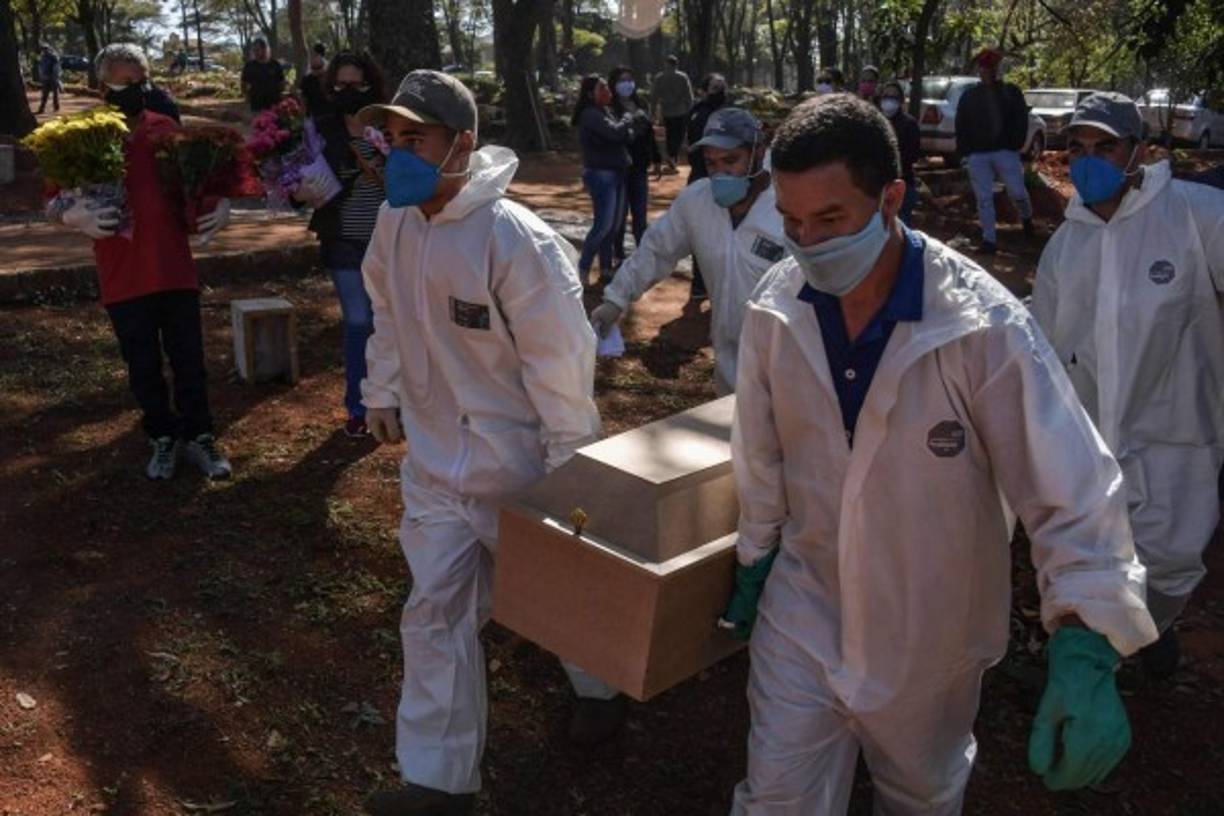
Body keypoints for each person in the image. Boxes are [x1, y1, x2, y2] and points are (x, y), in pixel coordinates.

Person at [723, 94, 1157, 814]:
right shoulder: (778, 303)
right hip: (804, 609)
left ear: (892, 198)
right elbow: (761, 451)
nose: (809, 243)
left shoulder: (981, 327)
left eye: (830, 219)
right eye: (792, 221)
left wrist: (1087, 640)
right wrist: (755, 554)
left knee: (920, 796)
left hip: (931, 633)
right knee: (775, 798)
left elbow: (1069, 487)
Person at [355, 70, 623, 816]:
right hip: (435, 465)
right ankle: (438, 782)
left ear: (462, 144)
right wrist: (381, 390)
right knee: (434, 613)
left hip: (521, 470)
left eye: (416, 139)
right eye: (392, 138)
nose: (398, 153)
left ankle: (602, 689)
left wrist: (571, 473)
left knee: (556, 595)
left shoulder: (514, 240)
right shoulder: (395, 225)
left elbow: (561, 368)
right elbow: (386, 313)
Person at [1032, 92, 1224, 680]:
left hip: (1176, 432)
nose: (1089, 160)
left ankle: (1150, 629)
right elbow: (1042, 343)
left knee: (1171, 558)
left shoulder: (1192, 214)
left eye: (1105, 146)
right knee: (1097, 557)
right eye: (1077, 147)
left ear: (1137, 151)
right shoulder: (1068, 245)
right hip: (1093, 437)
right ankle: (1106, 656)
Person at [49, 44, 233, 481]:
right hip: (123, 273)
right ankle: (162, 436)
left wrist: (221, 202)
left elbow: (198, 184)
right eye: (124, 82)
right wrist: (72, 215)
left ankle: (199, 435)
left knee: (189, 360)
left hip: (174, 269)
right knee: (143, 365)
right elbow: (53, 198)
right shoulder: (80, 138)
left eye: (141, 81)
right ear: (102, 87)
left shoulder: (165, 129)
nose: (135, 90)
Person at [590, 108, 784, 396]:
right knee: (734, 419)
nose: (720, 172)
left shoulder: (787, 207)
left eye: (731, 160)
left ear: (758, 153)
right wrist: (615, 300)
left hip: (785, 359)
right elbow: (656, 250)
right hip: (729, 360)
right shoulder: (697, 202)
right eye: (711, 163)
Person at [293, 51, 387, 437]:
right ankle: (358, 407)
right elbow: (296, 181)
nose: (348, 90)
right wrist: (299, 192)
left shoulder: (389, 126)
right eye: (341, 84)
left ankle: (390, 400)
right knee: (358, 320)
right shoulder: (321, 127)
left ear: (371, 86)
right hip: (343, 239)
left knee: (388, 323)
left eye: (357, 84)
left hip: (389, 241)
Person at [954, 47, 1033, 254]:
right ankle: (989, 239)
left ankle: (1026, 219)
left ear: (997, 69)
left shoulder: (1011, 92)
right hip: (978, 154)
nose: (985, 71)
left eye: (989, 67)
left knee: (1017, 192)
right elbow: (961, 124)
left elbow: (1021, 119)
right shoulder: (969, 96)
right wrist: (965, 151)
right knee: (983, 199)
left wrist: (1016, 144)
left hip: (1005, 151)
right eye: (982, 68)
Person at [571, 74, 644, 284]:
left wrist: (627, 127)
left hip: (617, 171)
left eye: (607, 88)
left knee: (613, 226)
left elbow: (625, 136)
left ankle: (605, 268)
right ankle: (583, 268)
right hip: (601, 175)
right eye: (602, 88)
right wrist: (628, 119)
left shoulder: (605, 111)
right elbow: (615, 133)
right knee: (603, 226)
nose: (608, 92)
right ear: (590, 94)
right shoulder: (590, 114)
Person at [608, 65, 662, 269]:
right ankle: (618, 253)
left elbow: (650, 134)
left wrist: (656, 158)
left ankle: (643, 252)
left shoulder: (641, 103)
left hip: (640, 166)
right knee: (619, 214)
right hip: (619, 168)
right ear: (614, 84)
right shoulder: (610, 108)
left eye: (630, 80)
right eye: (622, 80)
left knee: (640, 212)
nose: (627, 84)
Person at [686, 72, 729, 300]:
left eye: (722, 88)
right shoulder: (701, 114)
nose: (719, 92)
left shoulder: (727, 112)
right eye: (714, 88)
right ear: (703, 91)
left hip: (725, 179)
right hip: (704, 177)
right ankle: (700, 283)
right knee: (702, 230)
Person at [880, 80, 921, 225]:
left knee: (901, 226)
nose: (889, 100)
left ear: (901, 100)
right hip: (878, 185)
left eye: (894, 97)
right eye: (886, 96)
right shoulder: (876, 122)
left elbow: (913, 156)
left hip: (902, 185)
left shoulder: (909, 124)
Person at [652, 54, 693, 173]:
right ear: (676, 64)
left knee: (669, 135)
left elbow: (654, 96)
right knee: (679, 136)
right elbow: (689, 95)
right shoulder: (683, 77)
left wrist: (653, 111)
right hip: (681, 111)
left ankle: (670, 157)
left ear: (666, 64)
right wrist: (690, 109)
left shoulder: (659, 77)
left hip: (667, 112)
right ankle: (672, 157)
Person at [241, 37, 285, 113]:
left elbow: (282, 83)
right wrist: (247, 97)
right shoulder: (249, 66)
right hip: (256, 106)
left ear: (264, 49)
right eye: (254, 50)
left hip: (274, 105)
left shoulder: (275, 64)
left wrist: (278, 92)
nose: (255, 53)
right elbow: (243, 84)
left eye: (257, 50)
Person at [299, 42, 331, 116]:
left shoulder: (328, 74)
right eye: (314, 68)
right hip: (314, 110)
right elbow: (303, 95)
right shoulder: (307, 78)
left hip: (324, 110)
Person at [36, 44, 61, 113]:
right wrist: (42, 76)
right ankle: (42, 108)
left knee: (55, 94)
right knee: (45, 94)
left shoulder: (53, 57)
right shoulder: (42, 58)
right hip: (45, 78)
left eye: (46, 49)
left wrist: (55, 76)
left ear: (49, 49)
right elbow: (41, 67)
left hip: (52, 77)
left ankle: (56, 107)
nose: (45, 50)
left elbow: (56, 67)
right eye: (44, 49)